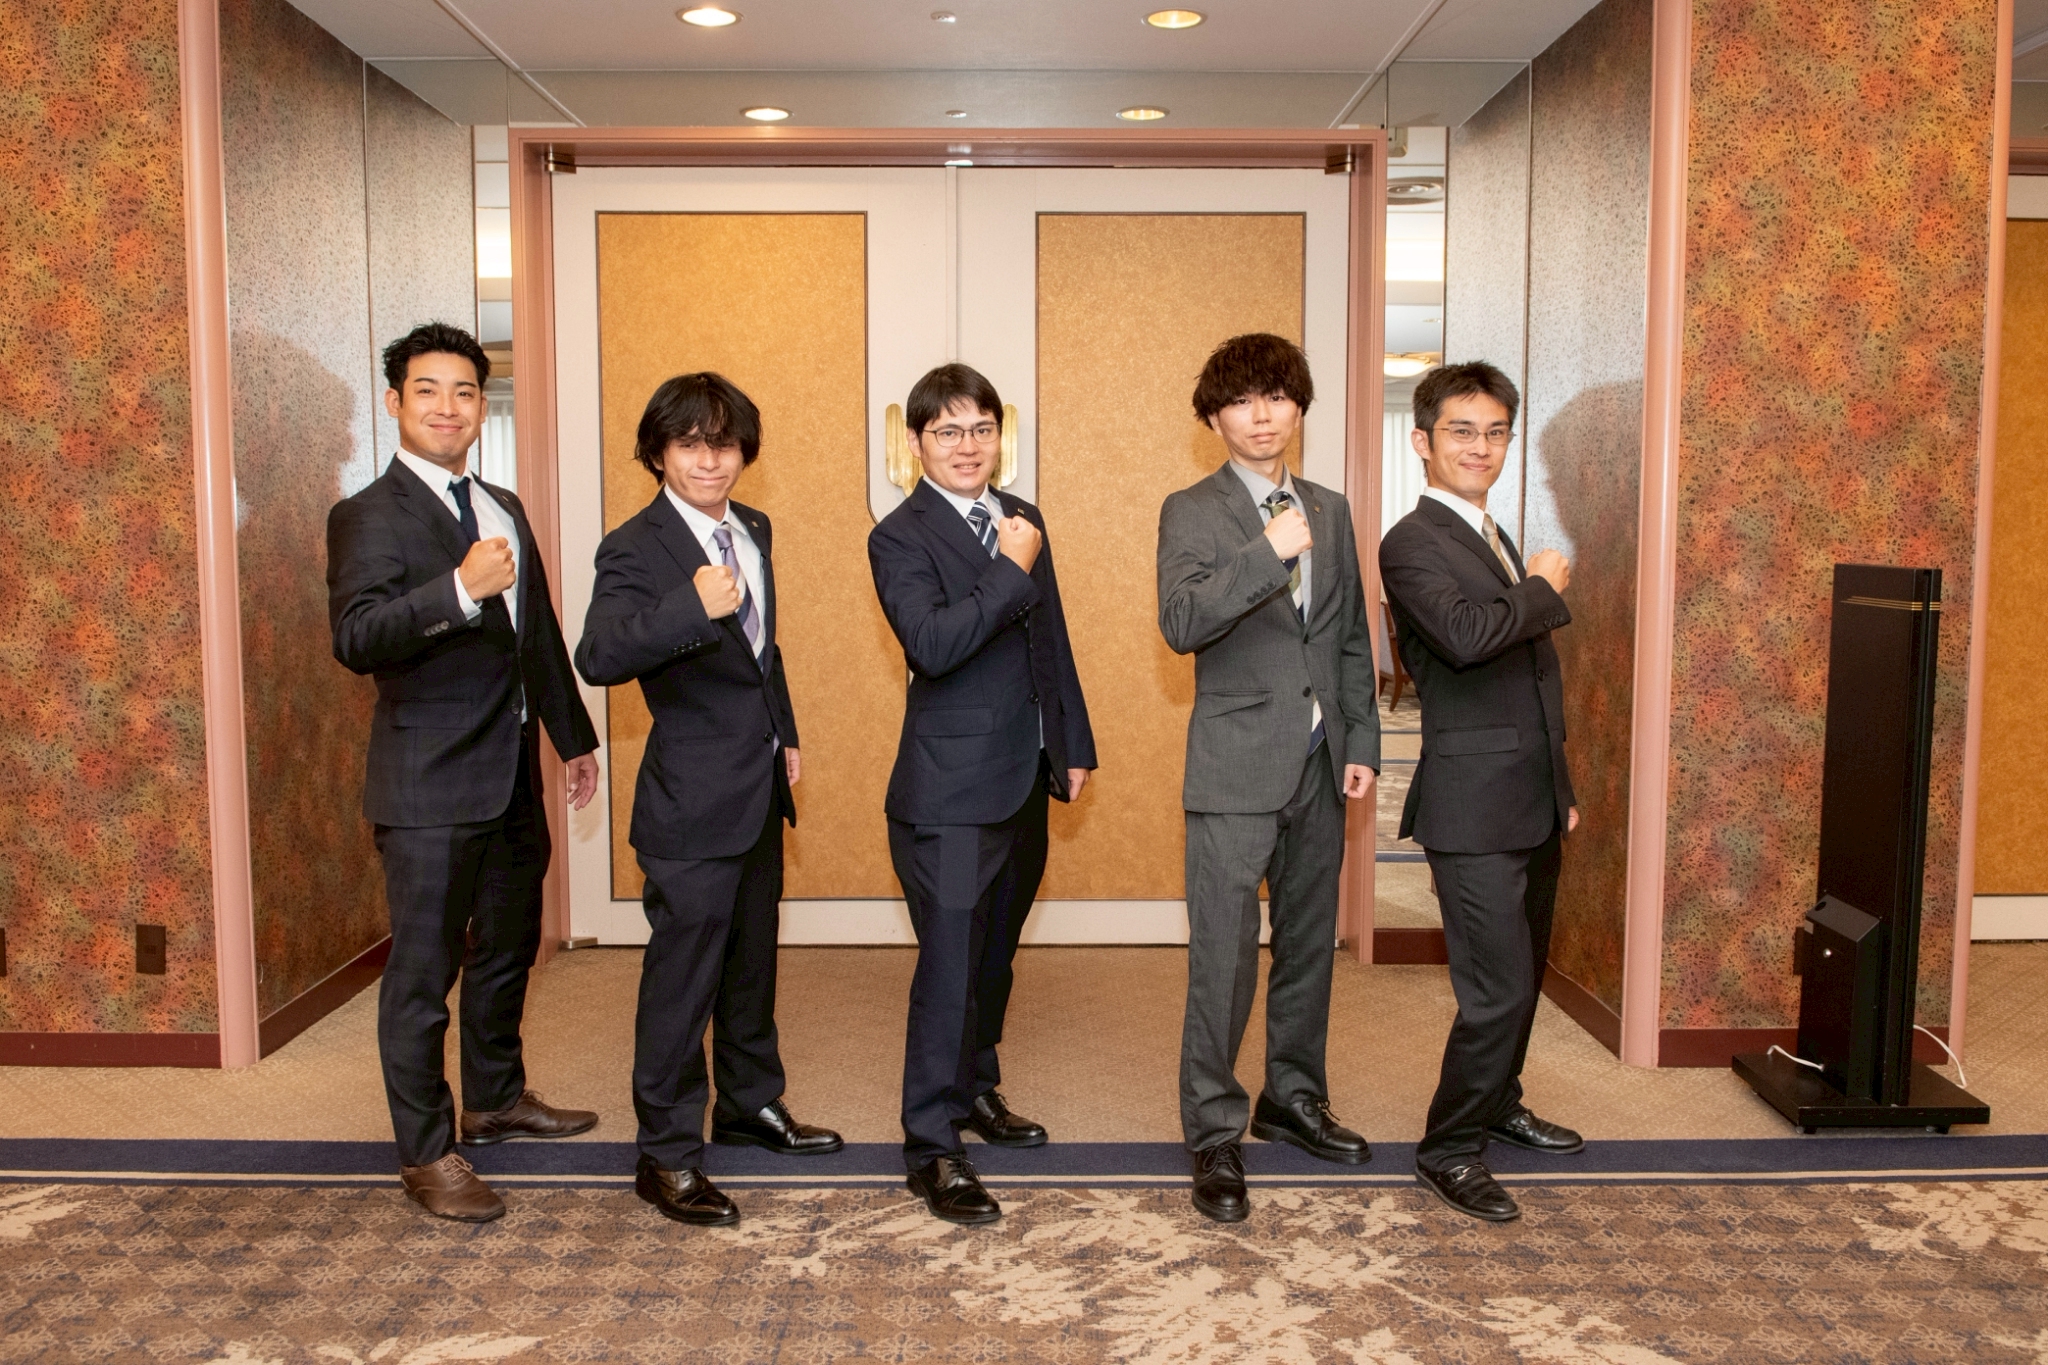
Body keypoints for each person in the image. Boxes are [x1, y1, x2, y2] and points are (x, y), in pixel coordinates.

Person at [328, 322, 602, 1223]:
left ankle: (495, 1096)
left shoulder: (503, 504)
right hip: (428, 782)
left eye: (465, 391)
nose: (448, 407)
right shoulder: (369, 514)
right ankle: (425, 1151)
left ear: (483, 406)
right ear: (395, 401)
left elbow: (537, 634)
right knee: (424, 974)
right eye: (428, 390)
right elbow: (357, 636)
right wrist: (456, 590)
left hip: (512, 772)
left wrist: (573, 736)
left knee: (509, 946)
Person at [575, 372, 843, 1229]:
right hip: (689, 800)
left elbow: (765, 651)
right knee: (682, 981)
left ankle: (750, 1103)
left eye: (724, 444)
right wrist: (689, 604)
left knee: (751, 961)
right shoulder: (634, 546)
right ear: (658, 452)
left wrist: (784, 728)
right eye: (689, 443)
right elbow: (598, 653)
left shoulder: (752, 527)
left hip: (757, 786)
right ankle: (665, 1153)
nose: (709, 460)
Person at [1157, 332, 1381, 1224]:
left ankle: (1292, 1096)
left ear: (1299, 408)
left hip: (1321, 763)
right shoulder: (1192, 509)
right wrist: (1266, 550)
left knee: (1308, 945)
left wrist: (1361, 738)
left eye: (1278, 398)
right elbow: (1182, 621)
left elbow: (1350, 635)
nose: (1262, 415)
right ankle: (1215, 1129)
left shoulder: (1331, 506)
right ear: (1215, 417)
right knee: (1222, 957)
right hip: (1234, 766)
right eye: (1243, 401)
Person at [868, 363, 1096, 1225]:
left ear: (1000, 435)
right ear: (917, 442)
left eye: (982, 428)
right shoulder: (898, 536)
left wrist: (1071, 743)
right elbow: (933, 644)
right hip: (950, 791)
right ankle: (932, 1143)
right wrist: (1007, 567)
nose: (968, 446)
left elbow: (1051, 639)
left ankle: (977, 1085)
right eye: (948, 431)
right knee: (950, 966)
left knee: (994, 954)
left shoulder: (1023, 517)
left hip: (1025, 775)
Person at [1379, 360, 1584, 1224]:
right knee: (1495, 989)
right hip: (1470, 805)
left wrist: (1559, 785)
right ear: (1422, 441)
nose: (1481, 446)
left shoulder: (1492, 532)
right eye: (1462, 430)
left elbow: (1529, 679)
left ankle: (1500, 1101)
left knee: (1523, 977)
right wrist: (1541, 588)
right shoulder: (1411, 542)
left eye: (1496, 431)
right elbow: (1466, 639)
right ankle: (1449, 1147)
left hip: (1530, 797)